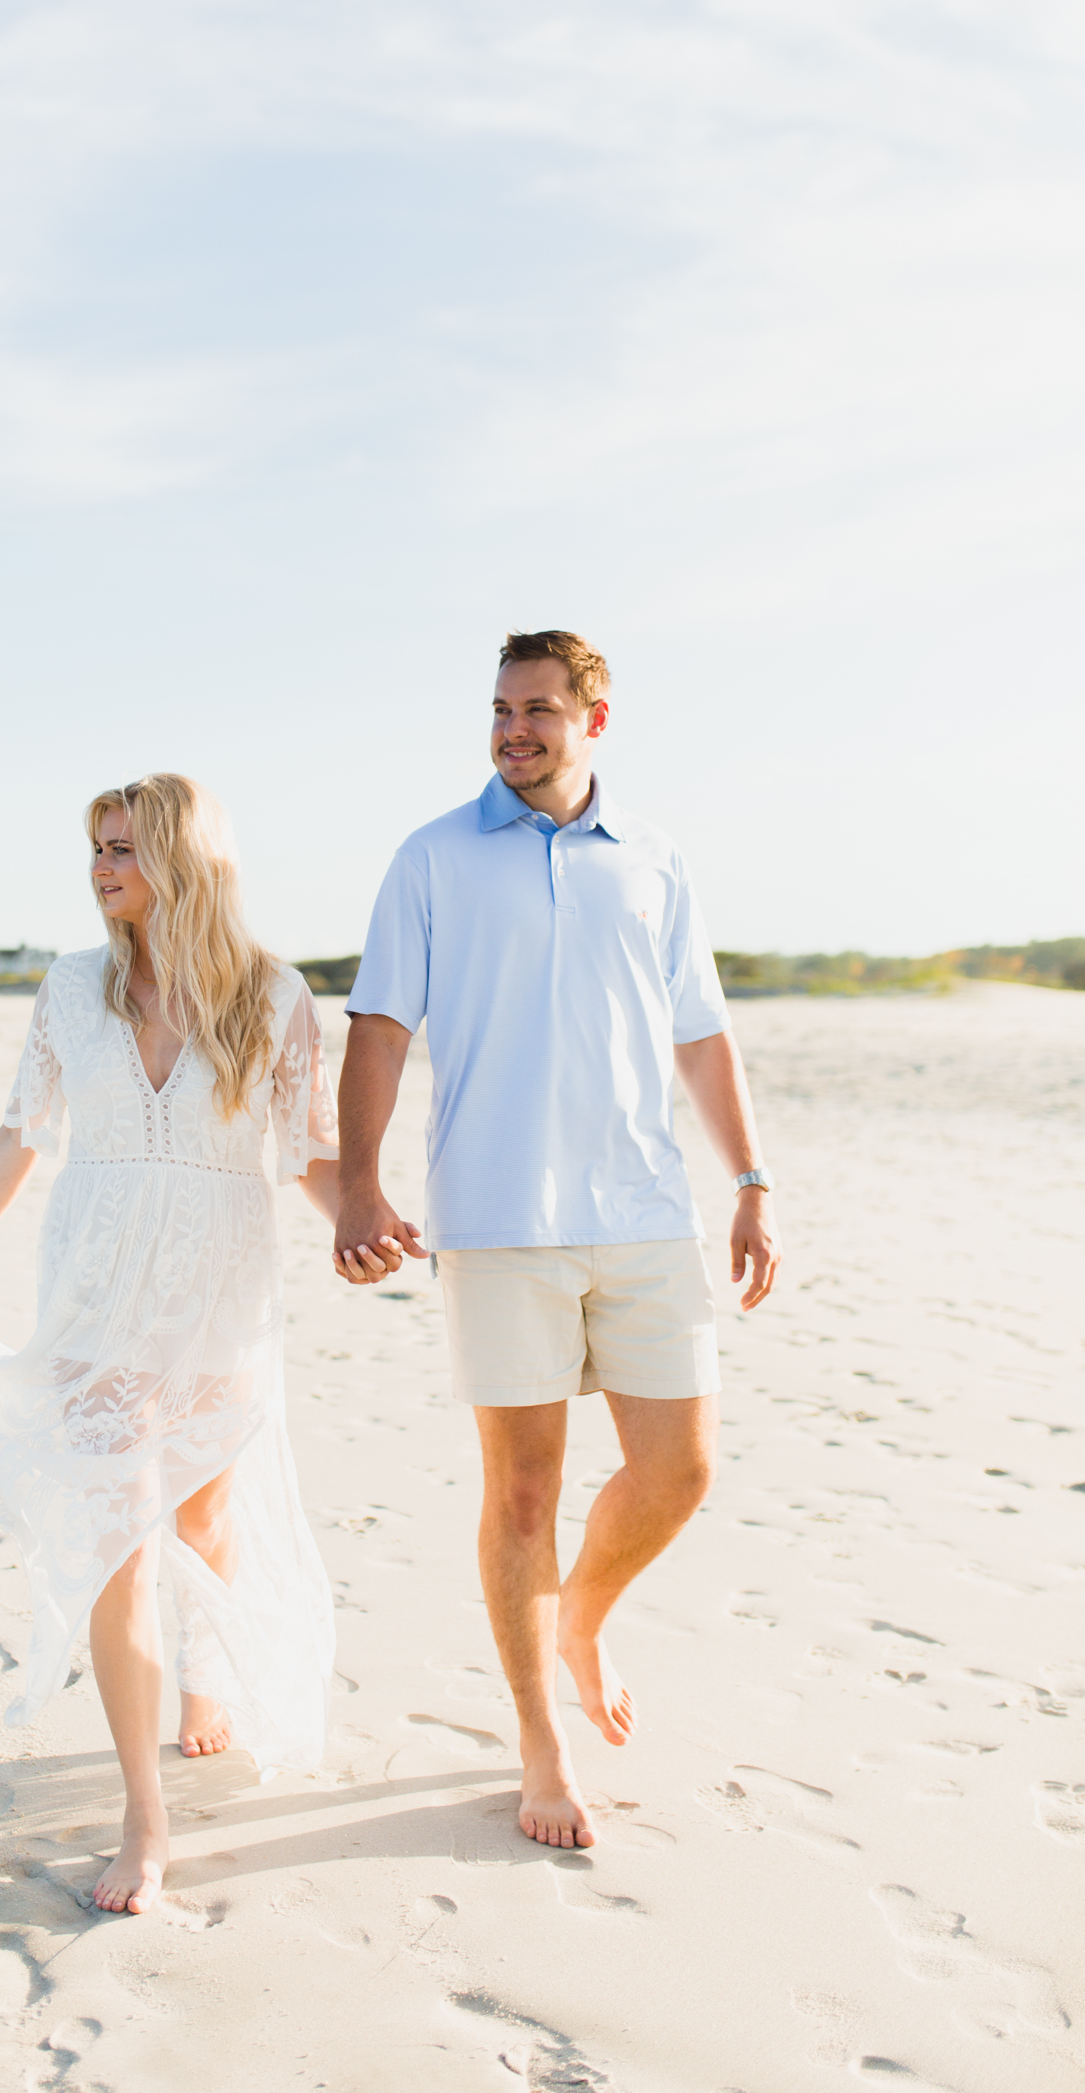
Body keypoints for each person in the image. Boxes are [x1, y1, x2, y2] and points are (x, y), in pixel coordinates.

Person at [333, 631, 781, 1852]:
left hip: (646, 1211)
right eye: (498, 709)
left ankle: (578, 1615)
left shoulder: (653, 857)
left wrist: (749, 1179)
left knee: (679, 1470)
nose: (512, 729)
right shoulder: (432, 856)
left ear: (594, 719)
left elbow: (701, 1033)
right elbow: (377, 1025)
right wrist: (361, 1182)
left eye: (537, 710)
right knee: (521, 1488)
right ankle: (540, 1743)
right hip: (496, 1220)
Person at [0, 774, 356, 1915]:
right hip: (97, 1281)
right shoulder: (71, 988)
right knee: (120, 1529)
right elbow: (26, 1127)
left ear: (182, 855)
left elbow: (307, 1152)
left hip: (219, 1284)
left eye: (122, 848)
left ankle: (205, 1678)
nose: (102, 867)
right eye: (95, 849)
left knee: (205, 1513)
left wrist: (367, 1218)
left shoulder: (271, 994)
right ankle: (141, 1813)